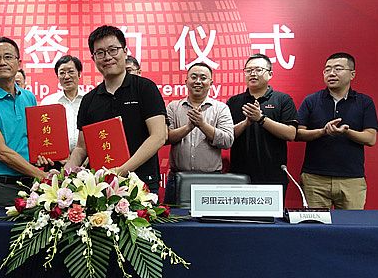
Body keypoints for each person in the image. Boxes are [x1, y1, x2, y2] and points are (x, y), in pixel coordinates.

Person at [65, 25, 167, 193]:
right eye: (100, 53)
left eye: (113, 50)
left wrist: (121, 171)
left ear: (125, 51)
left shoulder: (145, 88)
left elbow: (158, 136)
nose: (107, 57)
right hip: (100, 188)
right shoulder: (89, 100)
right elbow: (81, 148)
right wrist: (64, 176)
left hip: (142, 186)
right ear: (94, 58)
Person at [0, 36, 48, 206]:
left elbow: (33, 140)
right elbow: (1, 152)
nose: (2, 62)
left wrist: (42, 157)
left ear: (19, 63)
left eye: (8, 57)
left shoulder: (29, 97)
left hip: (31, 184)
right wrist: (42, 176)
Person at [295, 52, 378, 209]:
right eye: (327, 70)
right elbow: (297, 134)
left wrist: (346, 131)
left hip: (352, 179)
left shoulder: (364, 102)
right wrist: (323, 131)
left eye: (338, 69)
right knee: (315, 224)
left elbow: (370, 138)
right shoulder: (311, 100)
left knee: (352, 224)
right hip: (315, 179)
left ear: (352, 74)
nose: (331, 73)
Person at [227, 54, 298, 199]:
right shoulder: (234, 102)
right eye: (248, 70)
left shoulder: (283, 100)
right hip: (240, 176)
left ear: (270, 74)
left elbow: (291, 134)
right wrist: (246, 123)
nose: (252, 74)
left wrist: (261, 119)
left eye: (258, 70)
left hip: (273, 176)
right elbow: (226, 138)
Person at [164, 63, 234, 203]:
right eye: (194, 77)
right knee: (174, 216)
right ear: (186, 81)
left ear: (211, 83)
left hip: (211, 178)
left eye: (203, 78)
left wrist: (202, 125)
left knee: (209, 217)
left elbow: (227, 141)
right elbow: (165, 138)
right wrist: (188, 127)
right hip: (177, 178)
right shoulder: (173, 107)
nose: (198, 81)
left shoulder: (221, 108)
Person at [40, 55, 84, 152]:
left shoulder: (89, 100)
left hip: (87, 158)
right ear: (57, 76)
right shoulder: (48, 102)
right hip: (57, 157)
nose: (67, 76)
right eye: (62, 73)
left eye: (71, 71)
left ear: (79, 73)